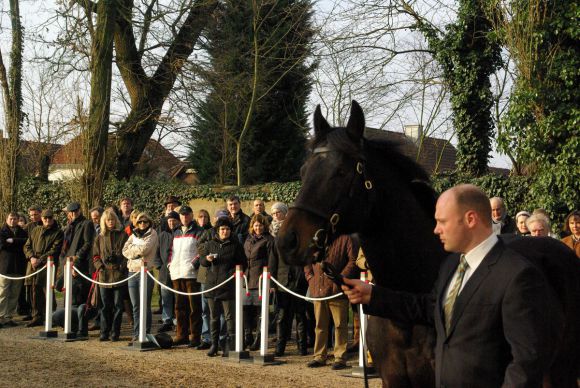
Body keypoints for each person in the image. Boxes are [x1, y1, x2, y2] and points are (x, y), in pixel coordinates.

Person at [341, 184, 555, 387]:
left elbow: (527, 360)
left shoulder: (517, 274)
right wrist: (373, 295)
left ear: (470, 219)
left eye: (442, 221)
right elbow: (429, 308)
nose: (436, 230)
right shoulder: (452, 265)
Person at [305, 234, 358, 370]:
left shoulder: (345, 238)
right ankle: (319, 356)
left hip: (337, 291)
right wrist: (310, 278)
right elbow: (307, 260)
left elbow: (352, 260)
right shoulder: (316, 236)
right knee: (320, 325)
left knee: (340, 325)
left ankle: (340, 357)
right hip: (318, 289)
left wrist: (340, 278)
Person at [200, 217, 246, 357]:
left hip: (228, 286)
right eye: (222, 229)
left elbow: (243, 263)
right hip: (212, 285)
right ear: (217, 231)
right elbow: (202, 261)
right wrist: (207, 260)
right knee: (214, 317)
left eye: (227, 229)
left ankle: (230, 346)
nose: (224, 231)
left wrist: (233, 273)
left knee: (229, 317)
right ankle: (214, 345)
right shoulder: (209, 244)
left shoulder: (236, 245)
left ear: (230, 231)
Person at [268, 202, 309, 356]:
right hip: (282, 283)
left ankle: (302, 347)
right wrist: (273, 283)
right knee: (282, 317)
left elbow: (304, 258)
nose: (276, 215)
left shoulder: (299, 236)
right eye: (274, 213)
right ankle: (280, 347)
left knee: (300, 316)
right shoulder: (275, 239)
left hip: (299, 283)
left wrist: (301, 278)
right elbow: (272, 264)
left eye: (279, 212)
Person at [168, 205, 204, 347]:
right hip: (177, 273)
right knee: (179, 306)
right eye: (182, 215)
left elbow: (201, 250)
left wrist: (193, 264)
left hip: (191, 274)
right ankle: (181, 334)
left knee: (194, 307)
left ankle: (195, 336)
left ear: (191, 215)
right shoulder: (176, 232)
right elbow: (171, 250)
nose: (184, 217)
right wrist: (170, 264)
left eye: (187, 214)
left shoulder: (199, 231)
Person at [23, 209, 64, 327]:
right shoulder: (36, 230)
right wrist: (31, 257)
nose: (47, 220)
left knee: (48, 291)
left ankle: (52, 316)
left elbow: (55, 250)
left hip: (48, 265)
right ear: (42, 218)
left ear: (53, 218)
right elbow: (27, 246)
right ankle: (36, 316)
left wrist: (40, 260)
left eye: (49, 218)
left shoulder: (58, 232)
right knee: (34, 291)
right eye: (45, 218)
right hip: (33, 265)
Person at [92, 209, 129, 341]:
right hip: (104, 275)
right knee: (105, 306)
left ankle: (115, 332)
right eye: (108, 220)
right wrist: (100, 267)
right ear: (104, 221)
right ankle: (104, 331)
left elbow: (127, 254)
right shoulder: (100, 237)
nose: (111, 222)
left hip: (119, 274)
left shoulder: (123, 235)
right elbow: (95, 255)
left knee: (118, 306)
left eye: (112, 219)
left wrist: (121, 266)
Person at [122, 212, 158, 344]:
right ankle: (137, 333)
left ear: (149, 222)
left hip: (145, 272)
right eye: (140, 222)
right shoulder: (133, 234)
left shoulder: (153, 234)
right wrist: (134, 253)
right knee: (136, 305)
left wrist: (133, 251)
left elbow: (145, 250)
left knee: (145, 305)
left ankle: (146, 332)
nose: (142, 224)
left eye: (145, 222)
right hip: (132, 272)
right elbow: (124, 250)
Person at [243, 213, 275, 351]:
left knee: (260, 312)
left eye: (260, 225)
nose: (258, 228)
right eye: (256, 225)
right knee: (246, 309)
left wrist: (270, 283)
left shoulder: (269, 240)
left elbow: (272, 261)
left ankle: (259, 338)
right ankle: (247, 335)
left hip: (261, 280)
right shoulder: (248, 240)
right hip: (247, 279)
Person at [0, 212, 28, 328]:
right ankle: (1, 316)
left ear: (18, 220)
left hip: (18, 267)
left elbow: (26, 242)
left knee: (14, 294)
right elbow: (2, 245)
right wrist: (17, 242)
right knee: (3, 293)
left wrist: (13, 241)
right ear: (7, 219)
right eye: (11, 219)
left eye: (15, 219)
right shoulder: (2, 232)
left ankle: (8, 317)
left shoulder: (22, 232)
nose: (13, 221)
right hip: (5, 267)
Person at [154, 211, 180, 333]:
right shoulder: (162, 235)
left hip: (178, 270)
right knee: (165, 297)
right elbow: (157, 252)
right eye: (169, 221)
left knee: (177, 297)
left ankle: (176, 320)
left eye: (174, 220)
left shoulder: (180, 233)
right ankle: (167, 319)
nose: (171, 223)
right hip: (164, 271)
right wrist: (159, 266)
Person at [195, 208, 214, 349]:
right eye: (200, 217)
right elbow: (199, 247)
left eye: (205, 217)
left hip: (217, 275)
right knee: (204, 309)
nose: (203, 219)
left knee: (217, 310)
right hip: (203, 274)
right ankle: (206, 337)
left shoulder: (215, 231)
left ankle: (218, 337)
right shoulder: (203, 233)